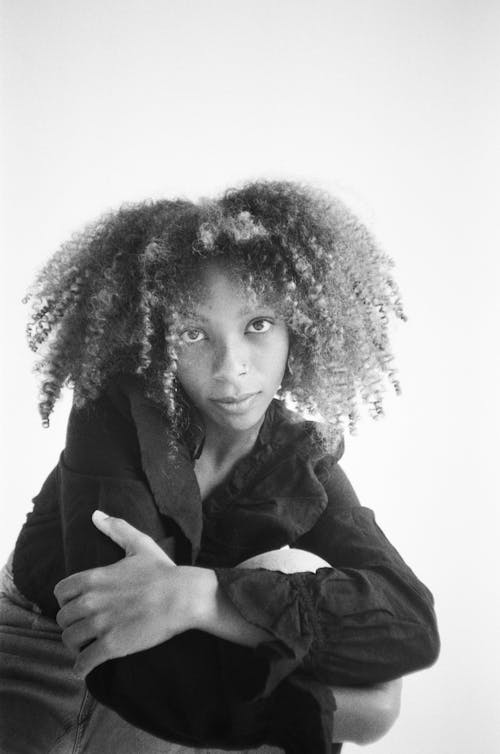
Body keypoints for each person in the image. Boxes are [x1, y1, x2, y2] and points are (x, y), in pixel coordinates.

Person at [0, 180, 439, 753]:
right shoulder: (113, 409)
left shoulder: (302, 460)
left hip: (176, 689)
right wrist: (331, 712)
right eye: (194, 332)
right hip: (38, 652)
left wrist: (201, 596)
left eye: (258, 324)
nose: (231, 367)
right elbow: (121, 656)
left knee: (292, 566)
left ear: (297, 331)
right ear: (157, 339)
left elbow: (408, 626)